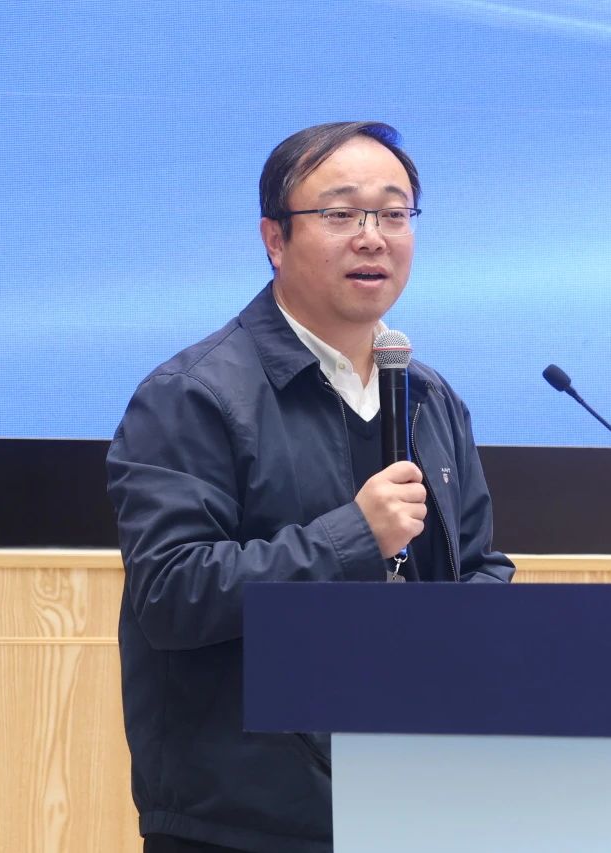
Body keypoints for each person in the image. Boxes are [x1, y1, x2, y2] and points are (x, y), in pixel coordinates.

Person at [106, 121, 515, 853]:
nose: (373, 237)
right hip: (247, 825)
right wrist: (356, 535)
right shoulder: (193, 395)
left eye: (394, 213)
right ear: (275, 238)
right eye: (341, 213)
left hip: (416, 802)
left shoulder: (429, 397)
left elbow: (478, 564)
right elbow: (171, 593)